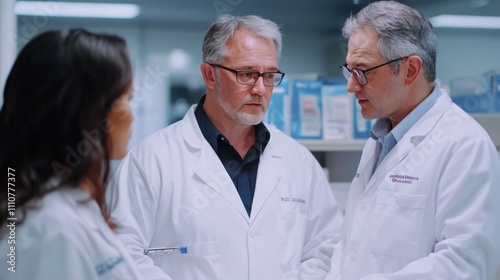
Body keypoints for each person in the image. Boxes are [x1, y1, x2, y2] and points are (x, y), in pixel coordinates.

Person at [106, 14, 344, 280]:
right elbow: (122, 254)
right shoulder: (151, 159)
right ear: (210, 74)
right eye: (246, 74)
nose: (260, 89)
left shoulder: (298, 160)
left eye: (269, 75)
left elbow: (326, 247)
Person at [326, 1, 500, 279]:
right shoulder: (381, 139)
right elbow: (351, 245)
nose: (351, 85)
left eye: (362, 71)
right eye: (349, 70)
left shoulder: (465, 146)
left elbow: (466, 266)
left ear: (410, 69)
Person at [0, 29, 141, 280]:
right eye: (126, 98)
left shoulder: (63, 206)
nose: (132, 114)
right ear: (87, 111)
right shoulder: (50, 228)